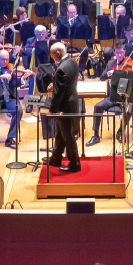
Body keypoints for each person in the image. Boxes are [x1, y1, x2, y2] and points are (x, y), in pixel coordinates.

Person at [43, 41, 83, 172]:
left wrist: (52, 110)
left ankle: (75, 164)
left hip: (64, 107)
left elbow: (59, 94)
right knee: (61, 134)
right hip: (72, 103)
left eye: (52, 54)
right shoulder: (72, 62)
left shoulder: (61, 69)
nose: (51, 57)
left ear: (58, 53)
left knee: (68, 136)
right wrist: (55, 83)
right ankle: (55, 158)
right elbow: (67, 81)